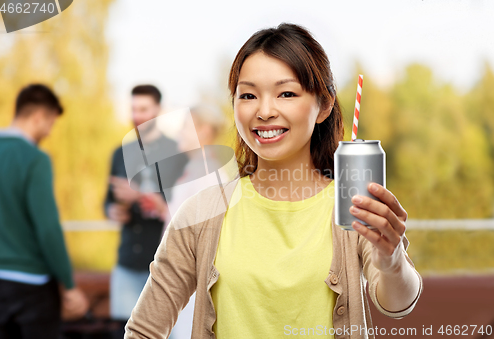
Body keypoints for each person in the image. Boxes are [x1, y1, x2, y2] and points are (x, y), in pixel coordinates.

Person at [124, 23, 423, 339]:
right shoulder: (201, 213)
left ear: (324, 105)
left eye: (287, 93)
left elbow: (398, 303)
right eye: (249, 95)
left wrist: (390, 261)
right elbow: (144, 329)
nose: (264, 111)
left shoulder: (352, 209)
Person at [0, 84, 89, 339]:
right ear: (38, 117)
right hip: (31, 287)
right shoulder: (34, 158)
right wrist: (69, 286)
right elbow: (48, 229)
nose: (49, 133)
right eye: (50, 124)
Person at [104, 84, 188, 339]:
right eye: (133, 109)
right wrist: (113, 211)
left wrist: (139, 195)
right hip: (127, 264)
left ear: (158, 111)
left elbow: (183, 207)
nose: (137, 115)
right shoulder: (120, 153)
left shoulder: (179, 154)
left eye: (143, 109)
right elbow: (107, 202)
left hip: (168, 267)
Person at [169, 104, 230, 338]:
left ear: (204, 131)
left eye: (185, 127)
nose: (178, 134)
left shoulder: (207, 174)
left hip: (193, 283)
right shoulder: (197, 170)